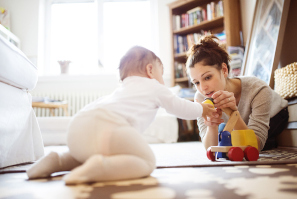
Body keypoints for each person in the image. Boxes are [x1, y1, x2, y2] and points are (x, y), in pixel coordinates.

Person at [27, 46, 216, 184]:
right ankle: (97, 169)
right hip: (110, 126)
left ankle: (57, 160)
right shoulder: (154, 86)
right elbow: (178, 107)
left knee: (84, 154)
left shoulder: (122, 89)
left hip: (79, 125)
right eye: (161, 73)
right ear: (150, 70)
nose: (161, 79)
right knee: (146, 161)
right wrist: (202, 109)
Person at [186, 35, 288, 151]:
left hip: (276, 115)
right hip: (244, 121)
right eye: (196, 83)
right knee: (226, 137)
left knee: (240, 144)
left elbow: (255, 147)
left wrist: (233, 114)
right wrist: (211, 127)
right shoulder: (200, 97)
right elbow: (211, 149)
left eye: (208, 77)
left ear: (224, 70)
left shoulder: (257, 89)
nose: (203, 88)